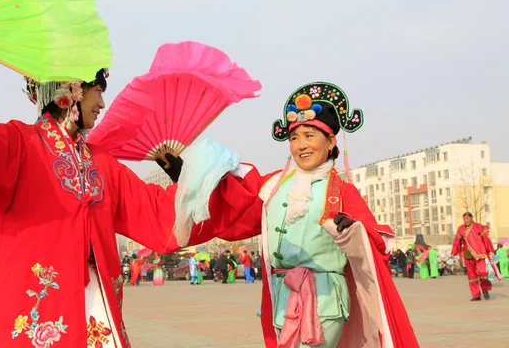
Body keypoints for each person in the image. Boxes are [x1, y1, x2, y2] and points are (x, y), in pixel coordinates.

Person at [0, 17, 183, 347]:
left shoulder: (102, 164)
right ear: (72, 89)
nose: (102, 103)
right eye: (98, 91)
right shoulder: (17, 146)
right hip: (32, 322)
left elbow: (157, 215)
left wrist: (183, 178)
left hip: (96, 315)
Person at [161, 82, 418, 347]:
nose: (300, 145)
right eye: (295, 137)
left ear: (330, 141)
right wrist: (184, 175)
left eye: (310, 135)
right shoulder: (274, 185)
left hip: (324, 299)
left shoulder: (342, 192)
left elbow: (376, 242)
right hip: (281, 298)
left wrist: (352, 231)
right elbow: (234, 214)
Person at [451, 212, 495, 301]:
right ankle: (476, 295)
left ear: (471, 218)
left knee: (482, 272)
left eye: (467, 218)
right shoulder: (461, 228)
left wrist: (490, 250)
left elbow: (485, 239)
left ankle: (485, 288)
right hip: (467, 255)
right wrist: (453, 252)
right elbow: (457, 242)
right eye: (464, 219)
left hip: (479, 254)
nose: (466, 220)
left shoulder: (478, 226)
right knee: (472, 276)